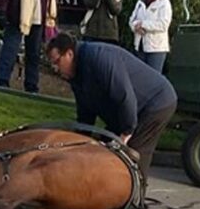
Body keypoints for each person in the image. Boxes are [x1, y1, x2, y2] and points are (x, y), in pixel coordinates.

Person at [45, 33, 177, 178]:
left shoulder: (99, 58)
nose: (55, 68)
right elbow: (85, 112)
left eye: (56, 62)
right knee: (105, 150)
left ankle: (135, 197)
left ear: (69, 54)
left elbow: (124, 95)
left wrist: (126, 132)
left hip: (156, 102)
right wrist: (80, 139)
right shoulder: (75, 74)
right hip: (126, 109)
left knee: (132, 156)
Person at [128, 0, 172, 73]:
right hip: (140, 46)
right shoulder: (140, 2)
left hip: (156, 49)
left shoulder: (164, 3)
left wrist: (144, 24)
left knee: (153, 78)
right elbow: (132, 20)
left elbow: (163, 24)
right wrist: (135, 27)